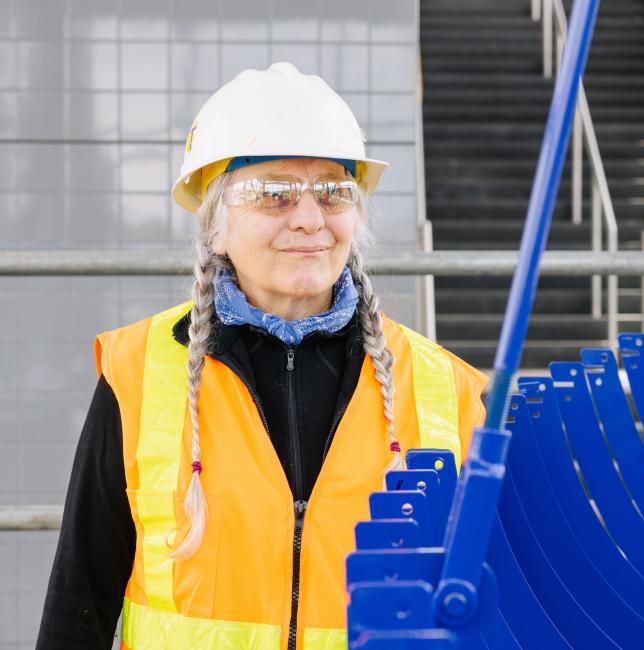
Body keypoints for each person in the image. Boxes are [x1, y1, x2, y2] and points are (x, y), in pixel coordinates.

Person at [36, 62, 488, 650]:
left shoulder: (439, 388)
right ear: (216, 227)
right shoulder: (140, 373)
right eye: (273, 194)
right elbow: (80, 599)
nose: (308, 218)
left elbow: (492, 598)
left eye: (332, 192)